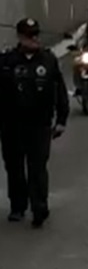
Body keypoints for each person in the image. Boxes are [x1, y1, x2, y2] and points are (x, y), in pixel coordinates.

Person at [0, 19, 69, 228]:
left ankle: (40, 206)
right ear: (21, 37)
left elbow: (60, 91)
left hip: (40, 124)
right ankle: (18, 206)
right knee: (14, 167)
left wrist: (62, 119)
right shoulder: (7, 61)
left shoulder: (48, 59)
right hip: (12, 124)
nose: (35, 39)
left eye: (36, 35)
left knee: (37, 167)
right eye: (30, 35)